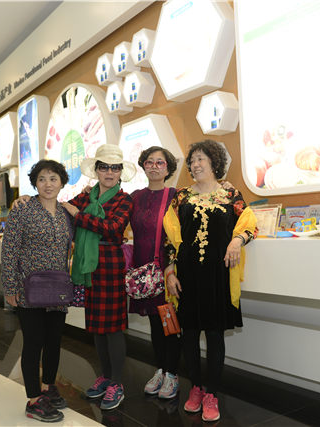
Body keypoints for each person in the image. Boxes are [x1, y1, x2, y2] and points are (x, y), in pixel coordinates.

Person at [163, 140, 257, 422]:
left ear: (215, 162)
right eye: (192, 160)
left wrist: (237, 241)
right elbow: (169, 236)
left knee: (215, 335)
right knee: (189, 334)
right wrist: (170, 271)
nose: (195, 164)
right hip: (187, 276)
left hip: (218, 275)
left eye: (201, 159)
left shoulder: (231, 195)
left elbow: (250, 225)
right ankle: (196, 388)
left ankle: (212, 394)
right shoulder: (181, 197)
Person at [63, 144, 135, 411]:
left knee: (113, 327)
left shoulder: (124, 200)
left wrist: (78, 215)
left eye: (115, 168)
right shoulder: (87, 196)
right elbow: (62, 209)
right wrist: (28, 199)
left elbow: (113, 229)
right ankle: (105, 377)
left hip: (110, 265)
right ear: (96, 170)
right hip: (87, 266)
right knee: (96, 326)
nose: (109, 172)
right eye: (104, 167)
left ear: (120, 172)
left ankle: (117, 383)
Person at [1, 160, 73, 423]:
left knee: (54, 341)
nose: (48, 184)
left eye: (53, 179)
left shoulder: (66, 213)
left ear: (62, 182)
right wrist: (10, 286)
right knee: (33, 342)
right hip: (28, 288)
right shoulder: (22, 209)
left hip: (58, 288)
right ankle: (33, 400)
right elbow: (9, 250)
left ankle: (47, 387)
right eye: (42, 179)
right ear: (35, 183)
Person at [128, 147, 182, 399]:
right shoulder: (135, 197)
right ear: (143, 166)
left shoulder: (176, 196)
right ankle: (160, 369)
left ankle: (173, 374)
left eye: (160, 162)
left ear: (168, 168)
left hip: (167, 270)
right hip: (144, 273)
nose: (154, 166)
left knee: (169, 323)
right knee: (154, 322)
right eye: (149, 162)